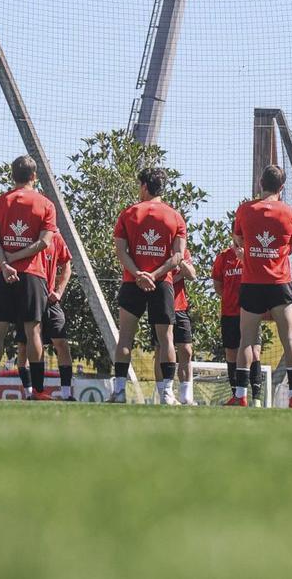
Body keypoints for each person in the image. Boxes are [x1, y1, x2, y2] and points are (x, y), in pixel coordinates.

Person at [0, 155, 59, 401]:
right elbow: (44, 243)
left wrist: (5, 263)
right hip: (33, 275)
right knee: (33, 331)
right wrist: (17, 259)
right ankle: (38, 390)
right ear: (34, 176)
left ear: (12, 175)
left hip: (3, 273)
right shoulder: (46, 204)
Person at [107, 167, 186, 405]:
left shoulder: (128, 213)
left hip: (133, 282)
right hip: (162, 284)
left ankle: (119, 392)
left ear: (144, 186)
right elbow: (178, 257)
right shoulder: (175, 216)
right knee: (167, 340)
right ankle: (167, 394)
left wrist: (139, 274)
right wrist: (154, 274)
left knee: (125, 339)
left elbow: (121, 251)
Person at [229, 165, 292, 410]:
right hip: (280, 283)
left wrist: (252, 254)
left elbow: (239, 240)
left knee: (246, 341)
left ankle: (240, 395)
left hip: (252, 282)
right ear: (282, 187)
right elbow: (291, 246)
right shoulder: (291, 213)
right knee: (290, 339)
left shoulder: (245, 210)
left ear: (260, 183)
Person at [16, 228, 76, 400]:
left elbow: (66, 267)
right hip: (28, 297)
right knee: (23, 347)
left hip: (50, 300)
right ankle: (30, 392)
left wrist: (58, 292)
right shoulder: (26, 234)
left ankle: (66, 394)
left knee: (62, 343)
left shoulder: (56, 237)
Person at [212, 241, 261, 406]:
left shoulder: (253, 254)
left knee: (254, 352)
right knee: (231, 353)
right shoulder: (223, 256)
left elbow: (261, 275)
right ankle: (236, 395)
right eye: (237, 233)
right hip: (229, 313)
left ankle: (257, 398)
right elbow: (218, 285)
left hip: (250, 312)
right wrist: (229, 298)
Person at [165, 249, 197, 405]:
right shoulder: (160, 249)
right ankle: (165, 392)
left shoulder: (184, 252)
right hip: (163, 306)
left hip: (181, 307)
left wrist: (180, 261)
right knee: (162, 349)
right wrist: (177, 275)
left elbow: (192, 275)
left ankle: (185, 396)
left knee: (186, 350)